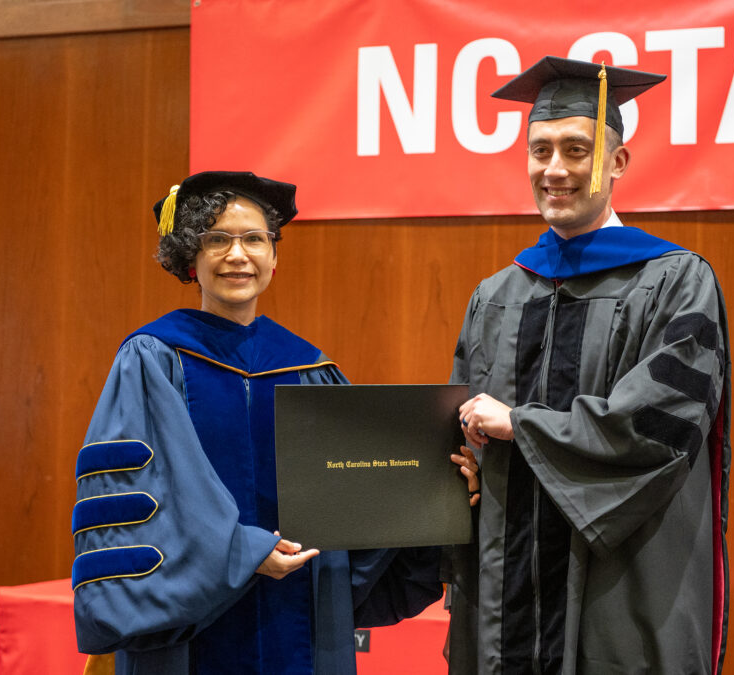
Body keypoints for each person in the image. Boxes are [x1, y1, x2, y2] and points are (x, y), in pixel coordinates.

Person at [71, 171, 451, 674]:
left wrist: (431, 492)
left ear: (274, 254)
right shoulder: (152, 359)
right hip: (192, 630)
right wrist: (244, 552)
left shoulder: (310, 369)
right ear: (190, 256)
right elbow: (148, 488)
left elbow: (353, 489)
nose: (238, 255)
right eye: (217, 240)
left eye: (255, 239)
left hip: (296, 611)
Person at [445, 57, 732, 674]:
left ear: (618, 162)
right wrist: (460, 467)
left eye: (577, 150)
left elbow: (658, 428)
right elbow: (460, 428)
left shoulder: (677, 283)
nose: (554, 169)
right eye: (540, 149)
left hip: (621, 583)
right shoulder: (497, 295)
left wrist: (521, 425)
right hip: (504, 589)